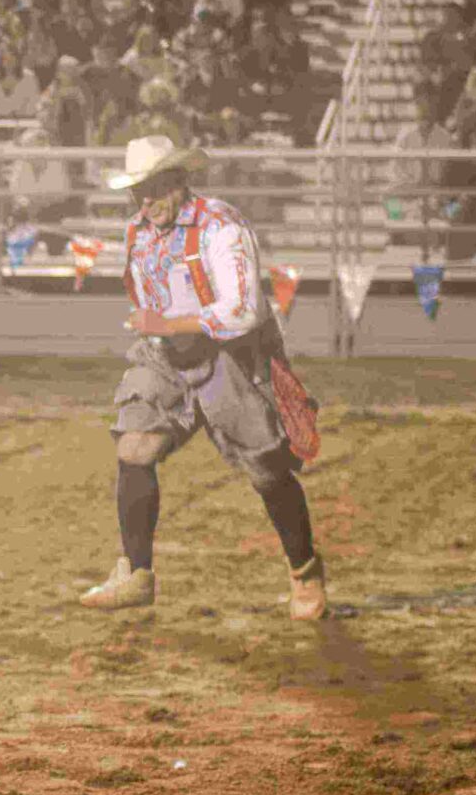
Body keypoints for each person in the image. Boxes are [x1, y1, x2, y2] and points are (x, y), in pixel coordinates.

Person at [79, 135, 327, 622]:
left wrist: (166, 324)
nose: (144, 203)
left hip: (230, 357)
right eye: (137, 193)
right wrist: (157, 330)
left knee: (267, 472)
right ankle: (135, 573)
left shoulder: (221, 225)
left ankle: (306, 572)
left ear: (178, 181)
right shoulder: (138, 232)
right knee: (134, 449)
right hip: (165, 358)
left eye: (152, 190)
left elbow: (242, 311)